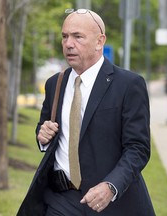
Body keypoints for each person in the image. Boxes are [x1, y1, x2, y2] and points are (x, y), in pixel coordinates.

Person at [17, 9, 155, 216]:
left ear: (100, 41)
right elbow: (45, 128)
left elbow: (138, 148)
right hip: (60, 199)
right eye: (65, 36)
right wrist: (42, 136)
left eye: (77, 36)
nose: (68, 44)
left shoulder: (128, 85)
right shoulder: (55, 83)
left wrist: (111, 186)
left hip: (109, 202)